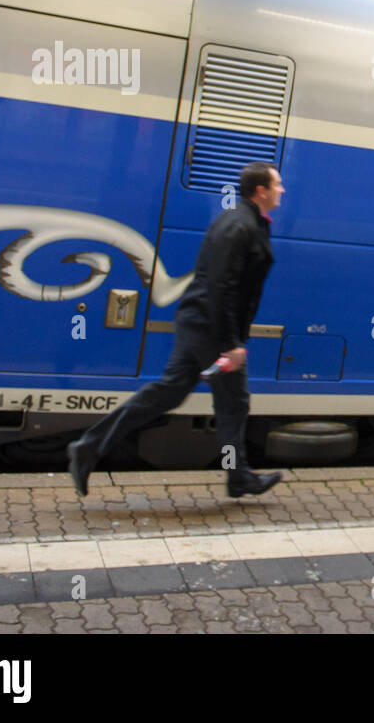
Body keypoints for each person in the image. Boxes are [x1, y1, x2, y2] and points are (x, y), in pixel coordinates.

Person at [67, 162, 286, 500]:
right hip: (210, 329)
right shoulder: (239, 226)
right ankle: (237, 475)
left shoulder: (245, 222)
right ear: (261, 190)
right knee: (232, 404)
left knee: (170, 393)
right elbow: (221, 288)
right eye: (277, 184)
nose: (281, 190)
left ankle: (88, 446)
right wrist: (231, 344)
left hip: (200, 323)